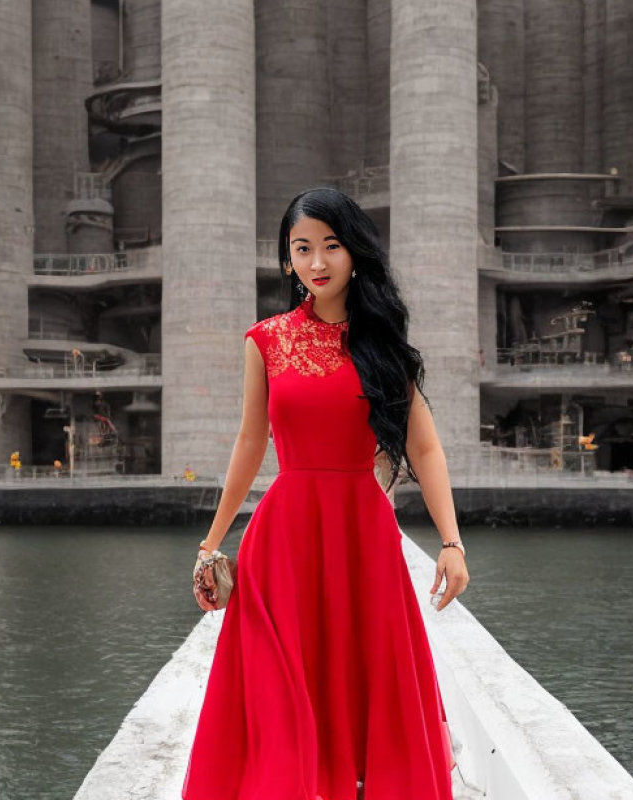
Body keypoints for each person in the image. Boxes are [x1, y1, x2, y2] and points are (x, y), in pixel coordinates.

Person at [181, 187, 469, 800]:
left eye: (331, 246)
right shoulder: (265, 341)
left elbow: (425, 450)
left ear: (355, 253)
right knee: (281, 689)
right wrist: (211, 544)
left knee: (362, 681)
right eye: (302, 248)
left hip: (363, 534)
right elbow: (250, 444)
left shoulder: (386, 348)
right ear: (287, 261)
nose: (317, 262)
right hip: (282, 539)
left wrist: (451, 542)